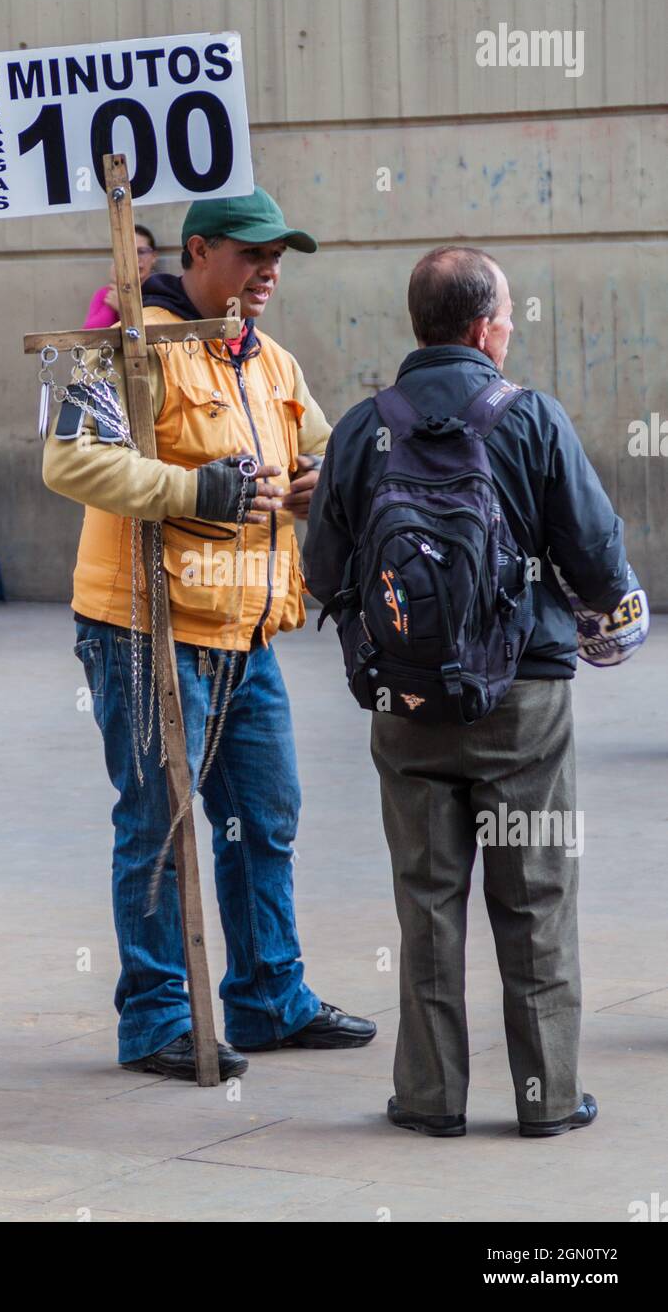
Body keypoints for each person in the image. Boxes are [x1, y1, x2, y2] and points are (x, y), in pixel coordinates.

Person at [43, 186, 376, 1081]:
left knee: (265, 818)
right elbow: (69, 460)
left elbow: (323, 450)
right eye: (252, 254)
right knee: (158, 822)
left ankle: (270, 997)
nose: (270, 272)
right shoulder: (114, 345)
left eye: (279, 258)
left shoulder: (270, 360)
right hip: (142, 627)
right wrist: (195, 492)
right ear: (196, 255)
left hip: (248, 629)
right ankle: (156, 1020)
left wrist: (315, 486)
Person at [304, 246, 630, 1137]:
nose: (513, 328)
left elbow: (322, 572)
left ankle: (429, 1099)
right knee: (537, 904)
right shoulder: (533, 420)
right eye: (511, 314)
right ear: (484, 326)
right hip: (524, 705)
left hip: (404, 709)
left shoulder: (363, 427)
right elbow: (599, 560)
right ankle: (547, 1099)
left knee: (427, 903)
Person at [82, 224, 158, 328]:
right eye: (127, 252)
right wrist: (117, 288)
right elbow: (89, 335)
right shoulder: (105, 294)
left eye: (141, 252)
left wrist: (124, 310)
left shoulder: (161, 292)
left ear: (154, 256)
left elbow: (157, 333)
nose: (135, 259)